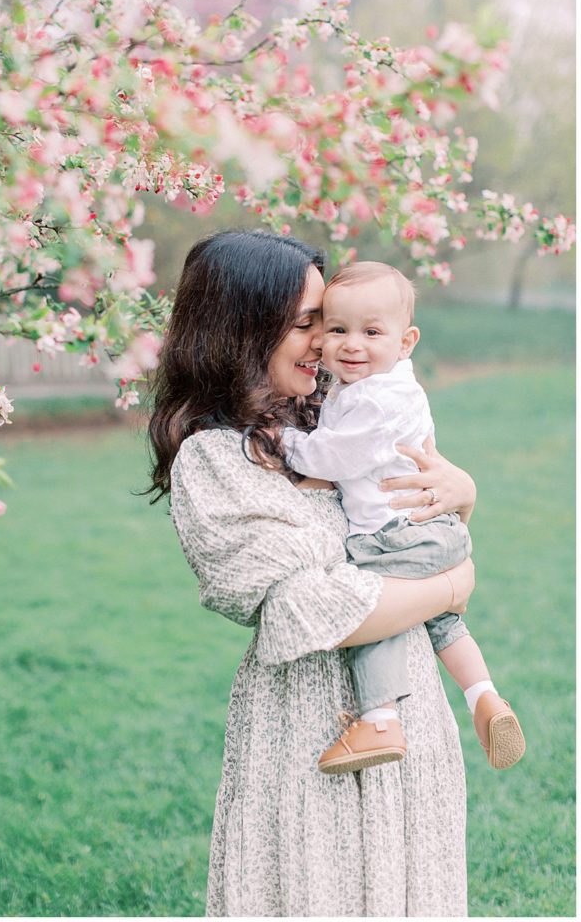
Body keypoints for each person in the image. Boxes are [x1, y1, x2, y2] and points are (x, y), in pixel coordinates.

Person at [148, 229, 477, 917]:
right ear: (243, 328)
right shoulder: (214, 461)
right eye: (307, 325)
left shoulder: (340, 415)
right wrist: (451, 588)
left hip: (409, 708)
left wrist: (463, 491)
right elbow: (311, 612)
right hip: (307, 727)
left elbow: (420, 524)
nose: (328, 343)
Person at [282, 261, 525, 775]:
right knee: (443, 621)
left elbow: (333, 459)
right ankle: (485, 697)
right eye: (337, 329)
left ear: (406, 340)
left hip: (394, 537)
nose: (351, 344)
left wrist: (283, 442)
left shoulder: (378, 398)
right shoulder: (375, 384)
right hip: (429, 531)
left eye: (371, 332)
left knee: (376, 614)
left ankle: (379, 718)